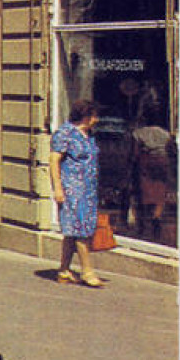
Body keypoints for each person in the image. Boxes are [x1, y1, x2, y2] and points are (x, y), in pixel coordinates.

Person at [50, 98, 106, 288]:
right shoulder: (65, 133)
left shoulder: (88, 135)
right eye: (94, 116)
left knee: (73, 231)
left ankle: (64, 270)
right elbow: (54, 160)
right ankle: (87, 272)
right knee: (81, 230)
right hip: (73, 190)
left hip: (88, 190)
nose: (96, 120)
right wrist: (57, 188)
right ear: (86, 115)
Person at [129, 123, 175, 243]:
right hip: (161, 163)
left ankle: (143, 223)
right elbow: (171, 150)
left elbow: (135, 152)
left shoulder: (139, 133)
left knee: (145, 191)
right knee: (160, 192)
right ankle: (157, 218)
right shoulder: (165, 134)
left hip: (146, 162)